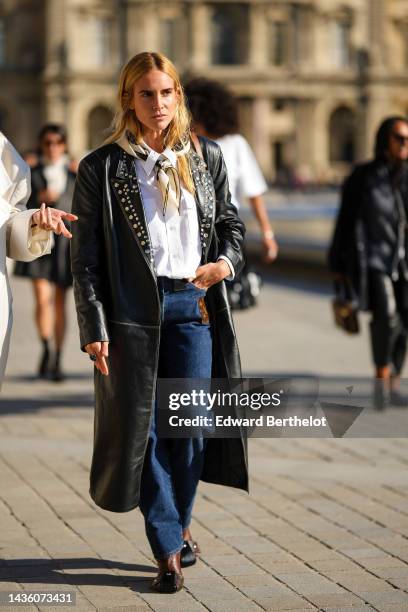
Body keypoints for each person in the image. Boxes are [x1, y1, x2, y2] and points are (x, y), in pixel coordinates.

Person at [71, 52, 247, 594]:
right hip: (131, 318)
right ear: (128, 99)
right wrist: (93, 326)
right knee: (142, 433)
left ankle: (177, 521)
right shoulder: (100, 168)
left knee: (190, 432)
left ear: (179, 96)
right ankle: (168, 547)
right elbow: (87, 260)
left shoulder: (206, 156)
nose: (159, 104)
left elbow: (229, 224)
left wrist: (226, 263)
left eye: (167, 92)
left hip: (192, 308)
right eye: (146, 94)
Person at [329, 116, 408, 410]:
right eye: (399, 138)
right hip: (374, 258)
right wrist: (336, 261)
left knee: (405, 321)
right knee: (386, 318)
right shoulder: (363, 177)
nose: (404, 144)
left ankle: (394, 380)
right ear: (384, 140)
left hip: (404, 260)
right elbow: (345, 220)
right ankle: (381, 379)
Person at [184, 77, 278, 308]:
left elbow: (254, 193)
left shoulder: (235, 144)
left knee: (223, 302)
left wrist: (267, 234)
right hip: (189, 232)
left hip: (223, 230)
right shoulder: (183, 144)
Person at [0, 131, 77, 389]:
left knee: (59, 301)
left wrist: (34, 219)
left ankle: (56, 354)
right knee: (43, 299)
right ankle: (46, 347)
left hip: (60, 243)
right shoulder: (31, 168)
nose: (53, 147)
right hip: (41, 248)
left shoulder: (73, 172)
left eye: (57, 143)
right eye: (48, 143)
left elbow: (11, 214)